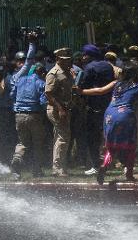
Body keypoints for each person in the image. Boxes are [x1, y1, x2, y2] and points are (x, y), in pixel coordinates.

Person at [79, 64, 138, 184]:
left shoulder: (116, 83)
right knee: (131, 147)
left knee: (111, 148)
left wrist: (82, 91)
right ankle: (129, 174)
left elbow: (99, 91)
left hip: (110, 114)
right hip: (126, 115)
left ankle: (104, 165)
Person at [80, 44, 115, 175]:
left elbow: (83, 85)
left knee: (92, 137)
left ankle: (96, 165)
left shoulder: (89, 68)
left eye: (84, 55)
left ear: (89, 56)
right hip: (108, 105)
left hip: (93, 107)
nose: (83, 57)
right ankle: (108, 162)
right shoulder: (108, 66)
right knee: (107, 136)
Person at [10, 63, 48, 180]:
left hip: (19, 115)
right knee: (38, 143)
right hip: (34, 115)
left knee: (22, 142)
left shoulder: (20, 80)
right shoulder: (41, 83)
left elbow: (12, 95)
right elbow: (43, 102)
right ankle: (37, 170)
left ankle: (17, 161)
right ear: (41, 73)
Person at [45, 48, 75, 177]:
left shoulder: (67, 72)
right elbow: (49, 94)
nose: (67, 62)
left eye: (68, 60)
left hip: (66, 108)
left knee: (61, 138)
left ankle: (60, 166)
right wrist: (60, 109)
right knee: (63, 138)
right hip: (57, 110)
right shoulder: (54, 73)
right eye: (64, 60)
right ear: (57, 59)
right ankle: (57, 168)